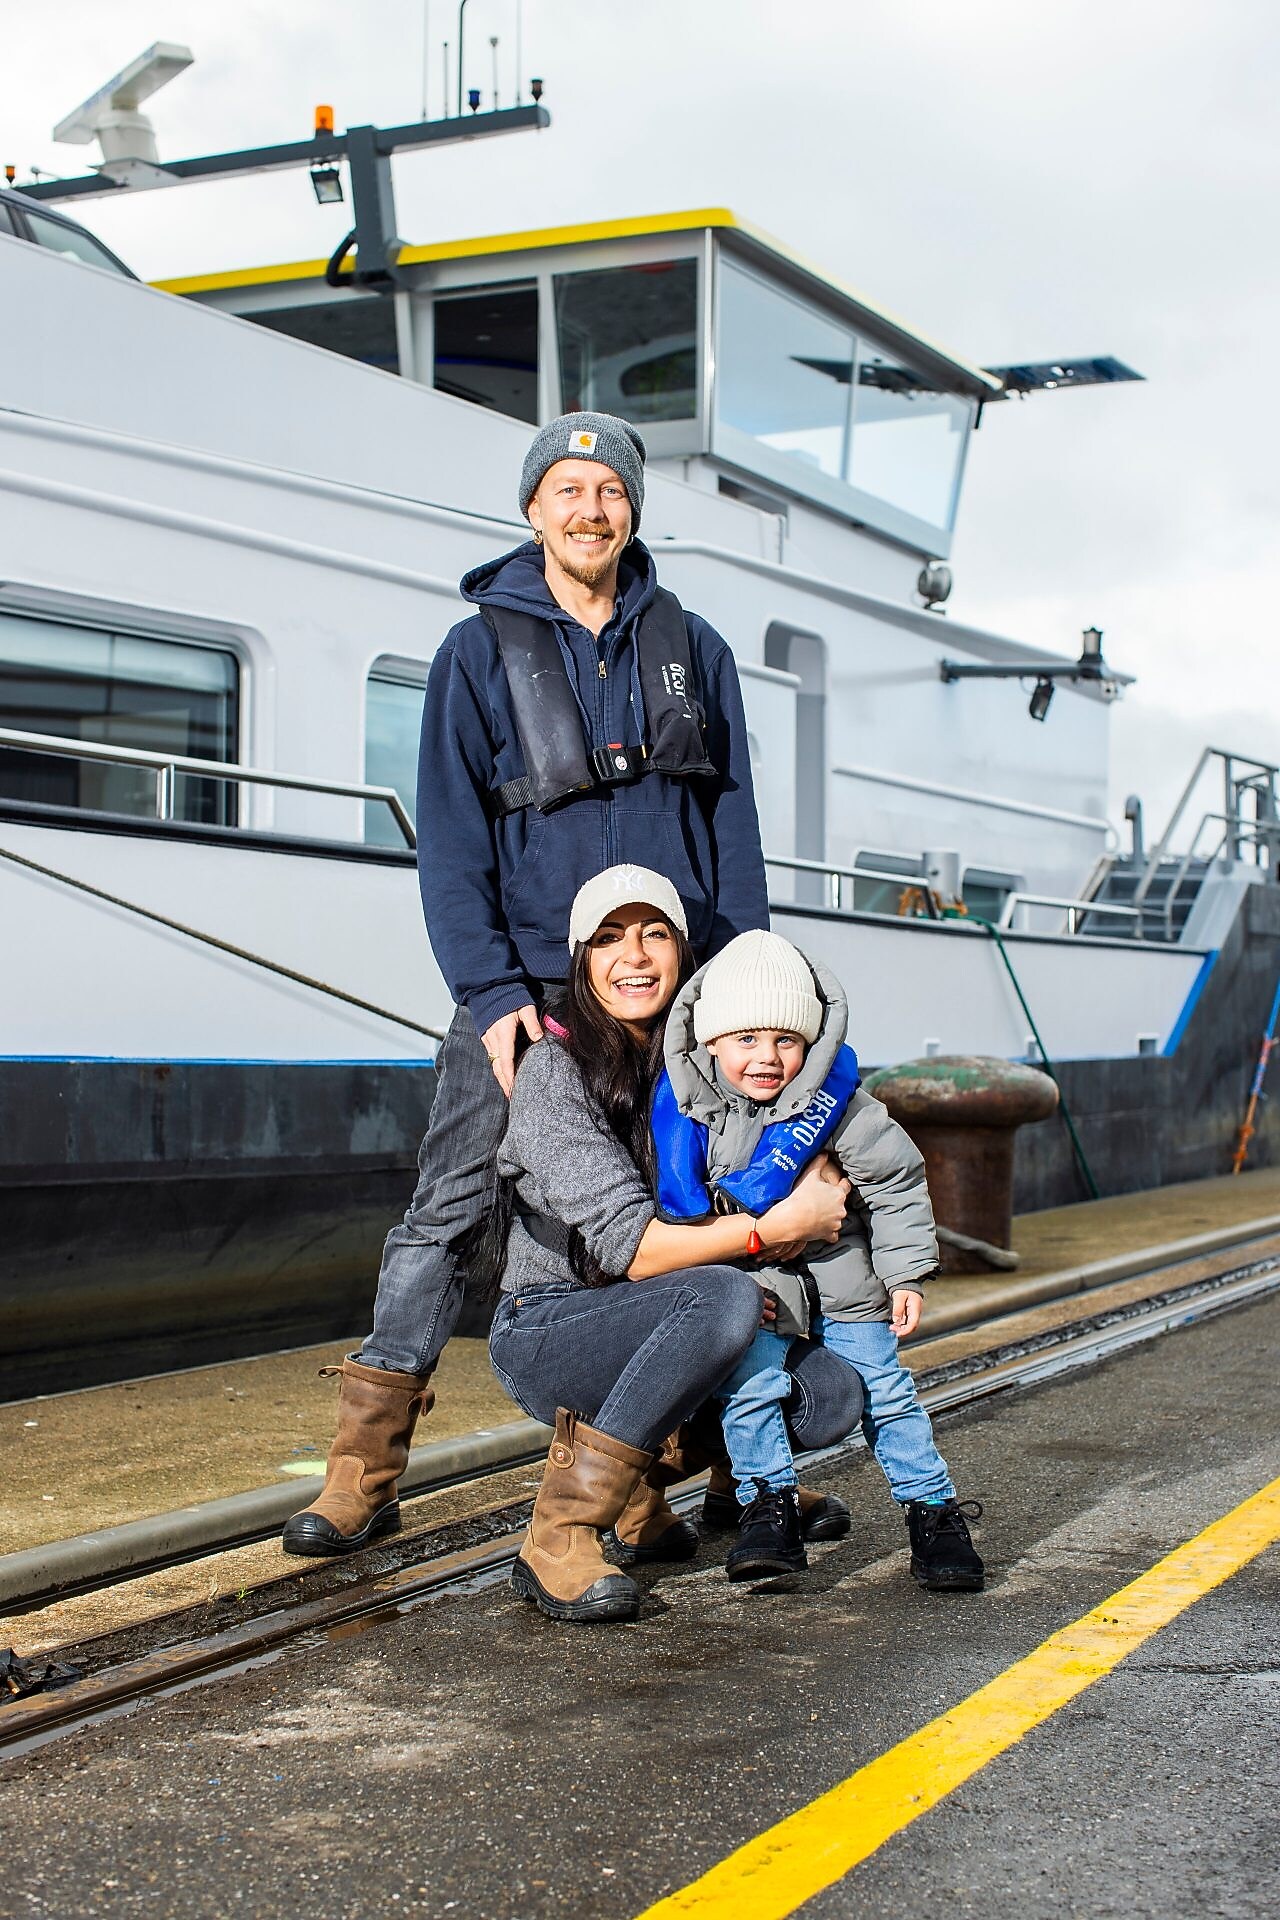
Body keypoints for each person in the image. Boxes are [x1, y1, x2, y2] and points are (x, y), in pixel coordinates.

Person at [284, 412, 769, 1557]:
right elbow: (451, 843)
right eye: (567, 489)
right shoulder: (472, 652)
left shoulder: (693, 647)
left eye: (608, 489)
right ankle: (363, 1467)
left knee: (651, 1211)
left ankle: (638, 1467)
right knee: (445, 1216)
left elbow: (733, 827)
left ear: (633, 510)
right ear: (530, 511)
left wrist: (737, 981)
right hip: (524, 989)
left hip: (667, 986)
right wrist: (493, 994)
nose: (589, 508)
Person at [486, 866, 859, 1622]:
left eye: (657, 934)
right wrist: (774, 1228)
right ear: (581, 961)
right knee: (724, 1295)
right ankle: (562, 1530)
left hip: (674, 1316)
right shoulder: (554, 1075)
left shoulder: (711, 1062)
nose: (637, 955)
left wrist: (820, 1172)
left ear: (685, 956)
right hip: (555, 1324)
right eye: (610, 939)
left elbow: (806, 1128)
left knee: (831, 1396)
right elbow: (636, 1251)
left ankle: (737, 1486)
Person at [655, 927, 986, 1591]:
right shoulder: (692, 1113)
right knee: (750, 1390)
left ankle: (933, 1513)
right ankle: (768, 1512)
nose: (766, 1057)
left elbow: (895, 1185)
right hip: (758, 1290)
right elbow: (678, 1217)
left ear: (812, 1043)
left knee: (887, 1395)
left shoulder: (844, 1111)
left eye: (786, 1040)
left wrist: (905, 1274)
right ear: (712, 1042)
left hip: (848, 1286)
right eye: (745, 1039)